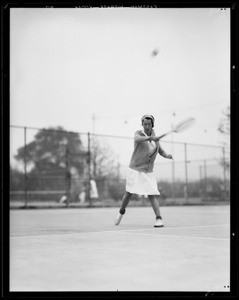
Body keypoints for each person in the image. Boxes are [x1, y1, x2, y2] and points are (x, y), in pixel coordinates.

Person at [114, 115, 173, 227]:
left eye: (149, 124)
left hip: (148, 170)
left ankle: (159, 219)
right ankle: (121, 212)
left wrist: (167, 155)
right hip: (135, 168)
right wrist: (150, 138)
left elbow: (160, 151)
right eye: (144, 124)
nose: (146, 126)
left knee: (152, 195)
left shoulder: (155, 137)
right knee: (129, 194)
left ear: (152, 125)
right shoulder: (138, 134)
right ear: (142, 124)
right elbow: (137, 139)